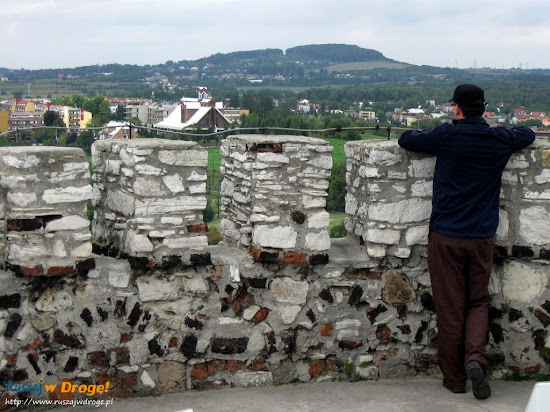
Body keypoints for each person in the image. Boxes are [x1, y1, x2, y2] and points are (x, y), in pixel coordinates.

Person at [398, 84, 535, 399]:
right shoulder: (498, 139)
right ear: (483, 109)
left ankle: (455, 378)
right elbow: (527, 134)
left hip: (446, 235)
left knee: (450, 308)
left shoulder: (447, 136)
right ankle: (476, 357)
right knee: (477, 302)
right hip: (481, 236)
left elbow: (406, 140)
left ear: (456, 108)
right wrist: (503, 129)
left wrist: (440, 129)